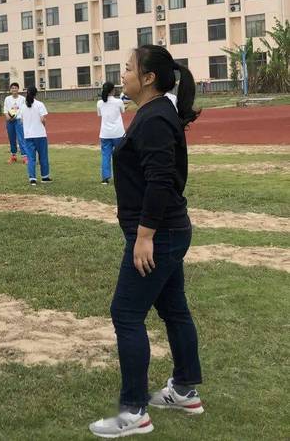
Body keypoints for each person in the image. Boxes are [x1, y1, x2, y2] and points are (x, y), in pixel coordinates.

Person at [89, 45, 203, 438]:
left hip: (161, 233)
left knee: (125, 313)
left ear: (148, 77)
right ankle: (185, 389)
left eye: (127, 68)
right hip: (169, 231)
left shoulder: (154, 118)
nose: (123, 75)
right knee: (174, 309)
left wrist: (144, 236)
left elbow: (160, 180)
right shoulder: (157, 113)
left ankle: (133, 412)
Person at [16, 87, 51, 186]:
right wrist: (43, 125)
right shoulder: (40, 105)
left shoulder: (23, 106)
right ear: (36, 94)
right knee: (43, 156)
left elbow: (21, 120)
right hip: (40, 134)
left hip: (28, 136)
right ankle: (45, 177)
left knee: (31, 158)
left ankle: (32, 178)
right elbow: (43, 119)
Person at [97, 82, 126, 185]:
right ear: (112, 90)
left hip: (105, 133)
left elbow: (99, 114)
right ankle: (122, 176)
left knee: (105, 156)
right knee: (121, 155)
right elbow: (123, 111)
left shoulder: (99, 103)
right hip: (118, 133)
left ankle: (105, 178)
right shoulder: (118, 102)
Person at [3, 83, 27, 164]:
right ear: (10, 89)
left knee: (21, 138)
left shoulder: (22, 99)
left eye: (15, 88)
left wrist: (19, 118)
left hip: (18, 121)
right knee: (12, 138)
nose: (14, 89)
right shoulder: (7, 99)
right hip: (10, 121)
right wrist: (8, 117)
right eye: (12, 88)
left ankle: (25, 157)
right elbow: (5, 110)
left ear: (18, 89)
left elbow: (24, 110)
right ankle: (13, 156)